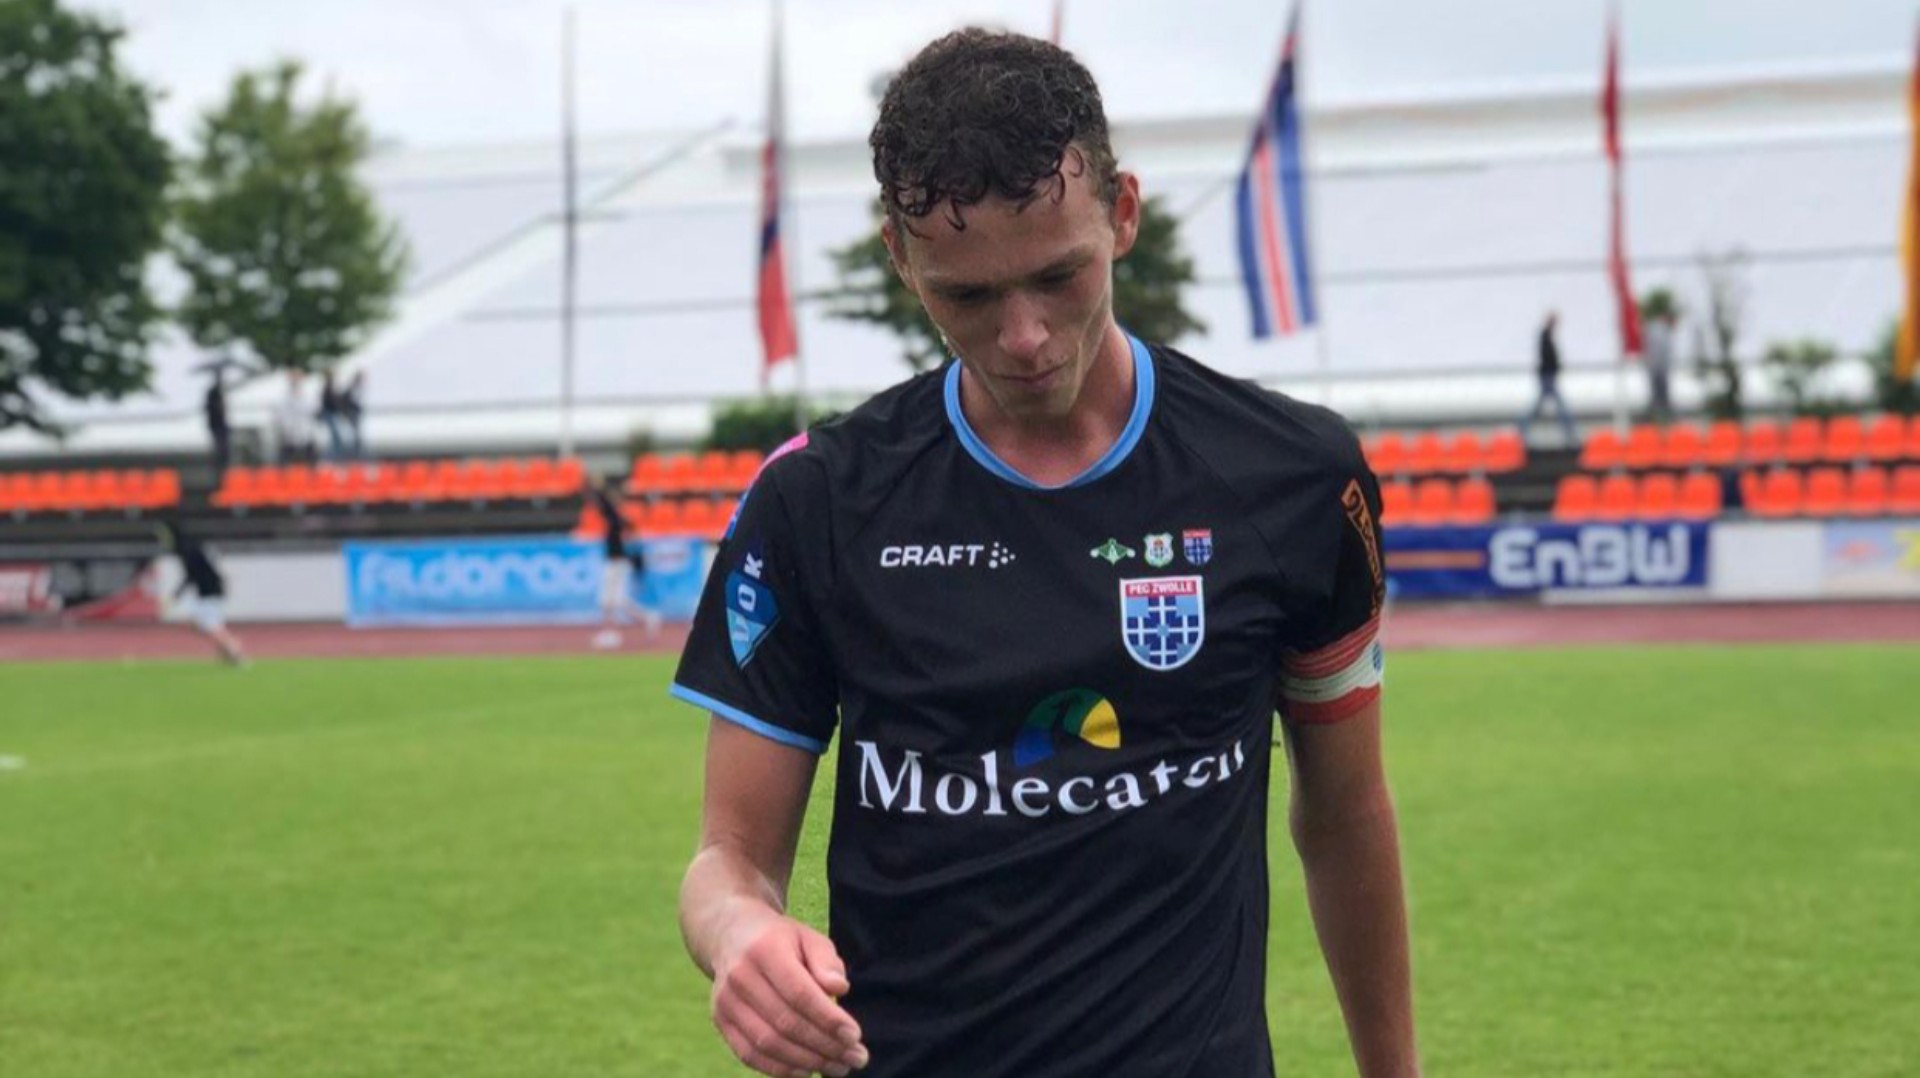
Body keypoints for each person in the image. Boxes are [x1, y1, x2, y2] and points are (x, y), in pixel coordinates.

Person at [672, 30, 1417, 1078]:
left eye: (1059, 276)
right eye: (968, 296)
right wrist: (738, 931)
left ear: (1123, 215)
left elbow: (1345, 813)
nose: (1023, 337)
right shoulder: (818, 499)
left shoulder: (1292, 477)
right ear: (901, 259)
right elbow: (728, 860)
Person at [156, 521, 246, 666]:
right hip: (208, 590)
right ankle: (227, 649)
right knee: (199, 623)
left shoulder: (187, 550)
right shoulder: (190, 546)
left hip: (210, 590)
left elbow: (190, 576)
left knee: (211, 625)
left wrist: (175, 596)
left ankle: (233, 648)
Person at [591, 478, 658, 649]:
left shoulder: (616, 517)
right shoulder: (618, 518)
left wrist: (599, 489)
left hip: (616, 563)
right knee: (615, 600)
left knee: (610, 600)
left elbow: (605, 506)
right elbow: (604, 508)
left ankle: (611, 633)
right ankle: (647, 617)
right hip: (615, 562)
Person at [1520, 310, 1577, 447]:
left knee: (1538, 409)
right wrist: (1555, 366)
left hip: (1548, 376)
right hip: (1547, 377)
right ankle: (1569, 434)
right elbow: (1547, 357)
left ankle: (1522, 427)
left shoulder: (1547, 336)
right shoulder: (1545, 336)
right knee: (1560, 408)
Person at [274, 370, 317, 464]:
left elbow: (313, 408)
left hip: (305, 430)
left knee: (309, 455)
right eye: (293, 378)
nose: (295, 381)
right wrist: (285, 425)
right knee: (287, 455)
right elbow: (280, 412)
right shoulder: (284, 395)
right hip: (290, 431)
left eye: (297, 378)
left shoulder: (307, 394)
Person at [1643, 308, 1676, 423]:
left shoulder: (1660, 330)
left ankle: (1661, 417)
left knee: (1660, 396)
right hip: (1658, 369)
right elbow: (1658, 352)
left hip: (1659, 368)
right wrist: (1658, 367)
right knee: (1659, 396)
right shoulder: (1657, 330)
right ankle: (1658, 418)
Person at [204, 374, 231, 473]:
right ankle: (221, 466)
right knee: (221, 447)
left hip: (219, 425)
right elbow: (211, 409)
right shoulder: (213, 394)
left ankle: (223, 465)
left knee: (223, 446)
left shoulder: (217, 393)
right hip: (217, 425)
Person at [318, 370, 347, 461]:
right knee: (335, 437)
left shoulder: (328, 387)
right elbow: (331, 402)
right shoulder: (328, 388)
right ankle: (334, 457)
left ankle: (335, 456)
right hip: (329, 413)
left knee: (335, 437)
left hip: (330, 413)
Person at [341, 371, 367, 459]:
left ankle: (355, 450)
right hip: (353, 412)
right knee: (355, 433)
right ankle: (355, 451)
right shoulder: (355, 388)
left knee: (355, 432)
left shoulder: (355, 387)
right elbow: (354, 400)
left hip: (353, 412)